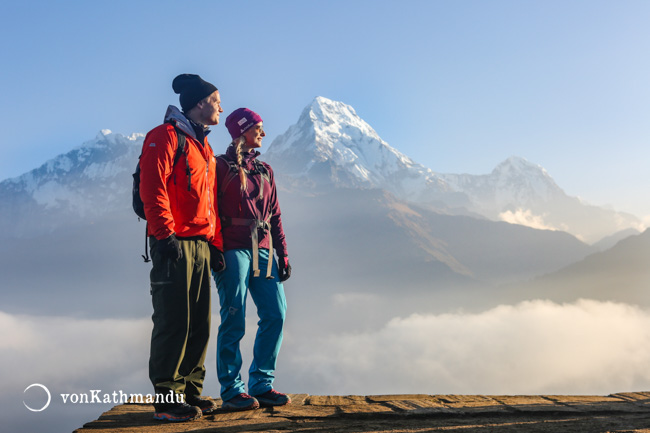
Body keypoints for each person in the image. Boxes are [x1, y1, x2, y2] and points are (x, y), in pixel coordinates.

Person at [139, 74, 226, 422]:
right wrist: (164, 235)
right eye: (217, 99)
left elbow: (210, 202)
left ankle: (190, 390)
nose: (221, 106)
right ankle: (167, 397)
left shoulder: (203, 147)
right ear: (200, 103)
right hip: (173, 243)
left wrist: (215, 244)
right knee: (173, 320)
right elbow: (152, 188)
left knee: (199, 324)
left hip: (201, 246)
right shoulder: (164, 137)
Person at [213, 107, 292, 411]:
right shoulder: (219, 166)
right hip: (232, 249)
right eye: (258, 127)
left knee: (276, 313)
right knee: (234, 318)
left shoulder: (265, 170)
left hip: (263, 249)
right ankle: (233, 389)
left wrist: (282, 253)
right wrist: (216, 250)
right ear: (242, 130)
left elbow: (275, 215)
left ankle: (261, 383)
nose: (263, 132)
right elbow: (212, 210)